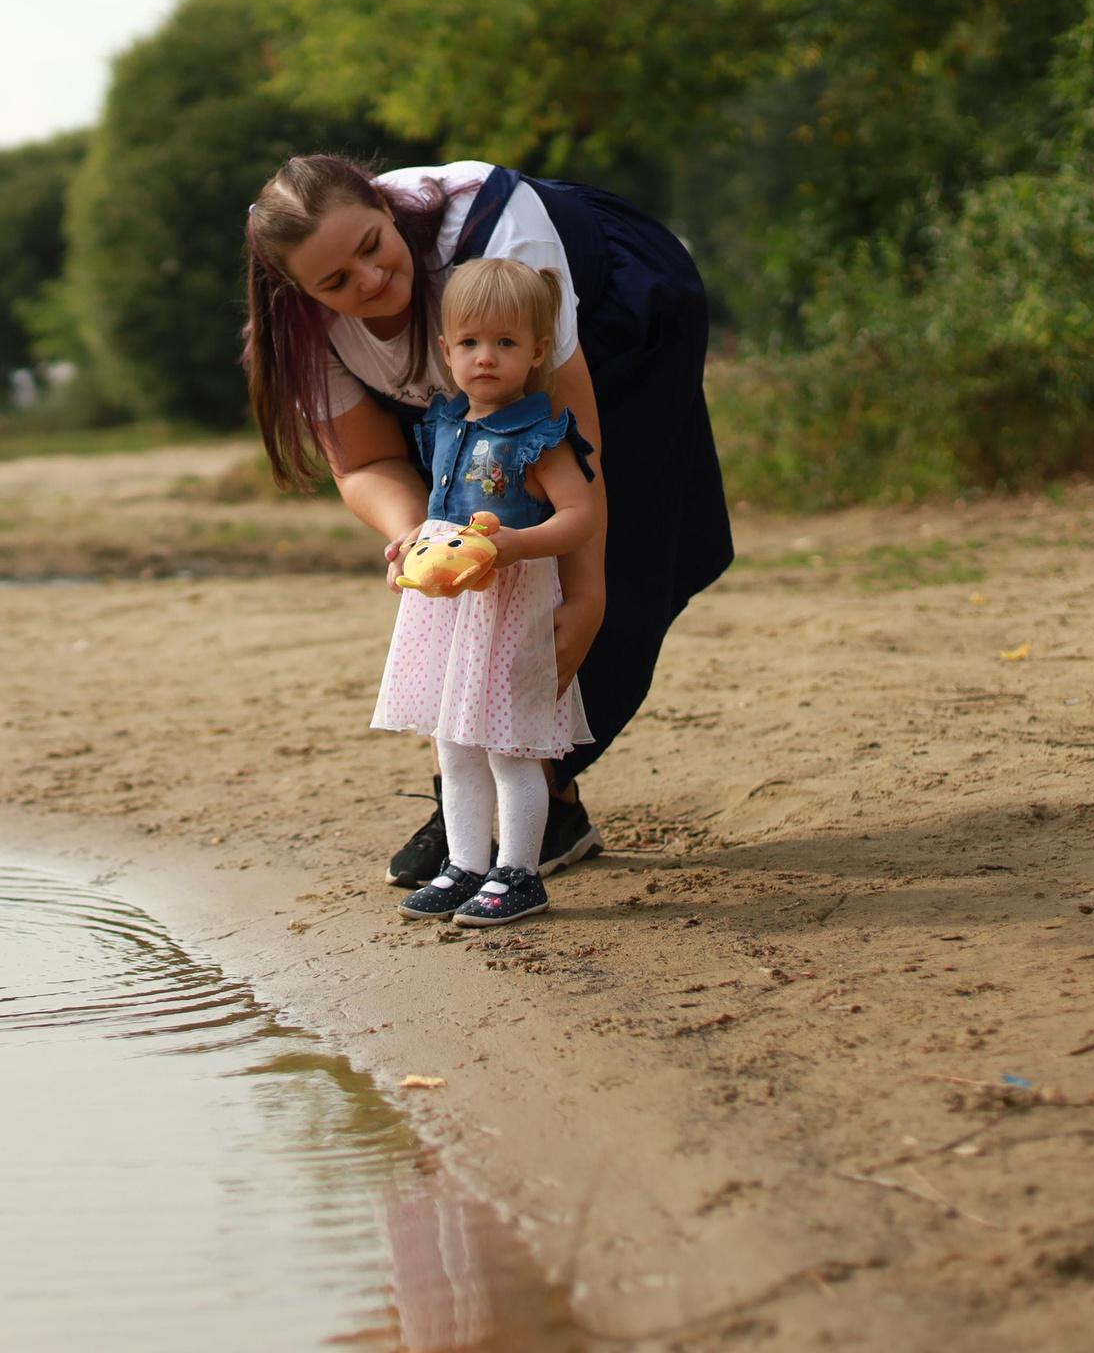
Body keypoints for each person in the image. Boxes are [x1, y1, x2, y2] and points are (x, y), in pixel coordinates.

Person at [242, 156, 735, 886]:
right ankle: (480, 813)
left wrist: (588, 593)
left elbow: (578, 437)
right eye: (336, 283)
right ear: (299, 292)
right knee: (478, 600)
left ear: (386, 206)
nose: (370, 282)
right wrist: (423, 537)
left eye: (373, 247)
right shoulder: (300, 334)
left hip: (616, 320)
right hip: (475, 374)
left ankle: (548, 797)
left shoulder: (496, 232)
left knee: (615, 560)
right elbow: (366, 463)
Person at [374, 259, 598, 926]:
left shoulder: (539, 435)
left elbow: (579, 518)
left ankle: (518, 872)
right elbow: (436, 516)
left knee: (510, 746)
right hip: (450, 614)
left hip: (511, 606)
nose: (486, 358)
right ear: (447, 352)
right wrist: (409, 548)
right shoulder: (445, 425)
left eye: (505, 343)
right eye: (470, 343)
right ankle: (465, 864)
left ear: (536, 352)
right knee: (455, 743)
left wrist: (517, 545)